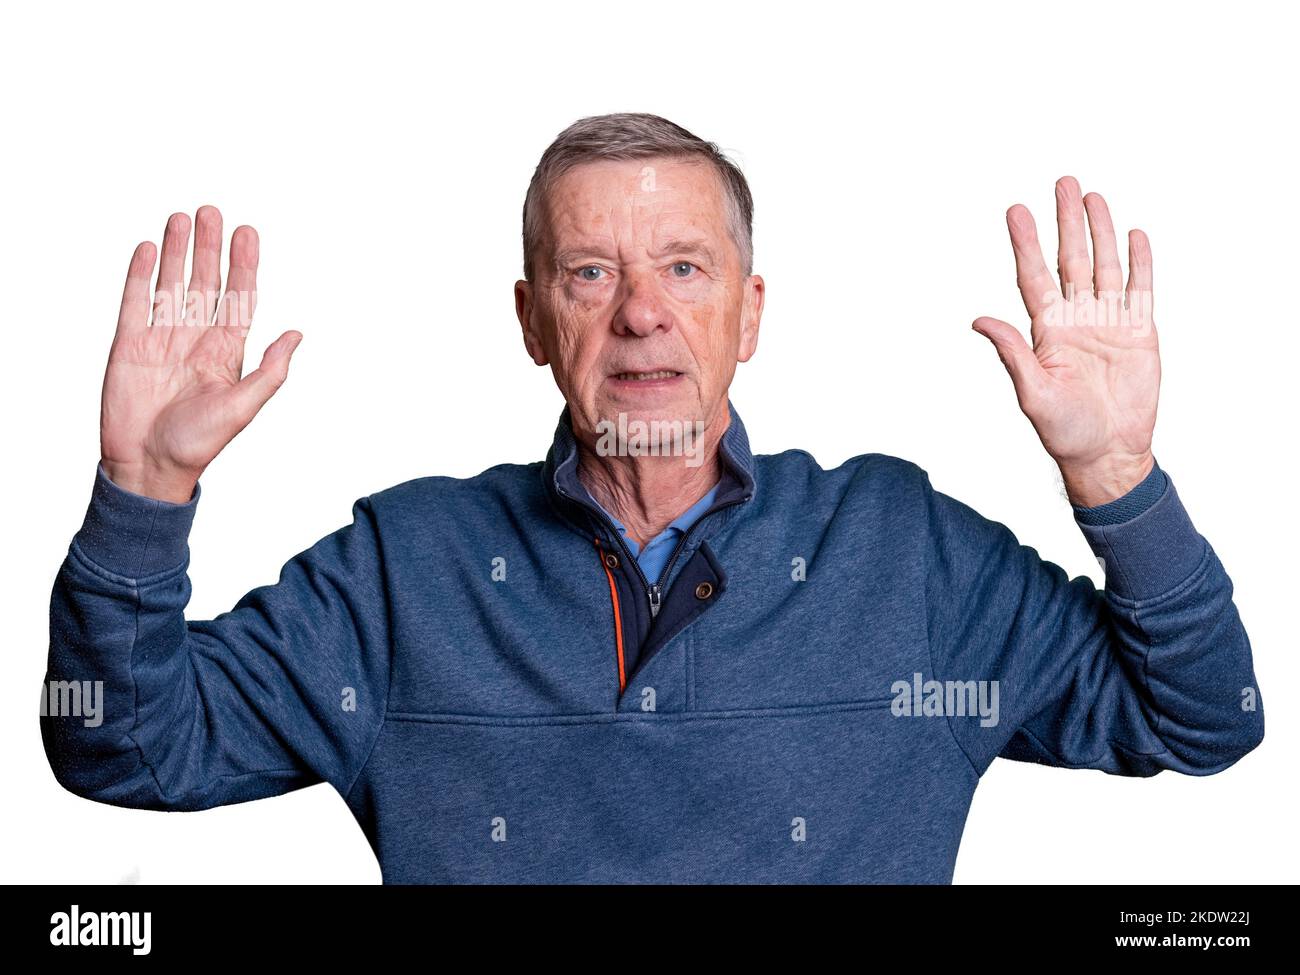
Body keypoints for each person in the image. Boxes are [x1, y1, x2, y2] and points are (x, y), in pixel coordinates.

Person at [41, 113, 1264, 883]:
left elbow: (1203, 721)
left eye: (685, 267)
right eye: (590, 271)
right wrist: (142, 493)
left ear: (750, 313)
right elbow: (122, 750)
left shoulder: (904, 552)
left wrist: (1117, 482)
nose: (641, 310)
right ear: (532, 320)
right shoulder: (405, 569)